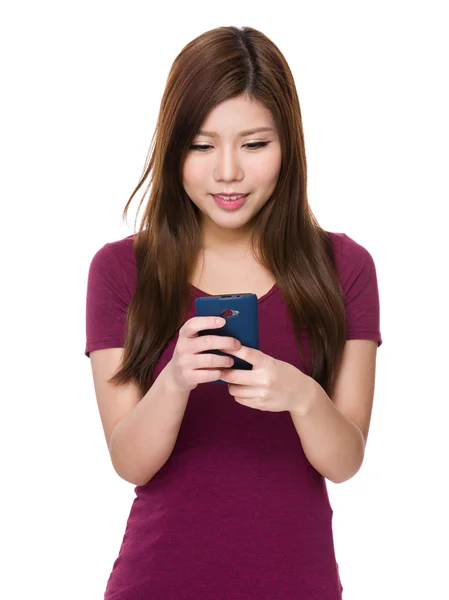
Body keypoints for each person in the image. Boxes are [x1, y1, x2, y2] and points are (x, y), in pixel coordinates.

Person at [85, 25, 382, 600]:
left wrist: (301, 394)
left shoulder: (343, 265)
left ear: (288, 145)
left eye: (253, 144)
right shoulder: (122, 270)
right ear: (172, 150)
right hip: (157, 581)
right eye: (201, 145)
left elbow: (345, 462)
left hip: (299, 583)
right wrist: (173, 381)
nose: (227, 172)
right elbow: (131, 462)